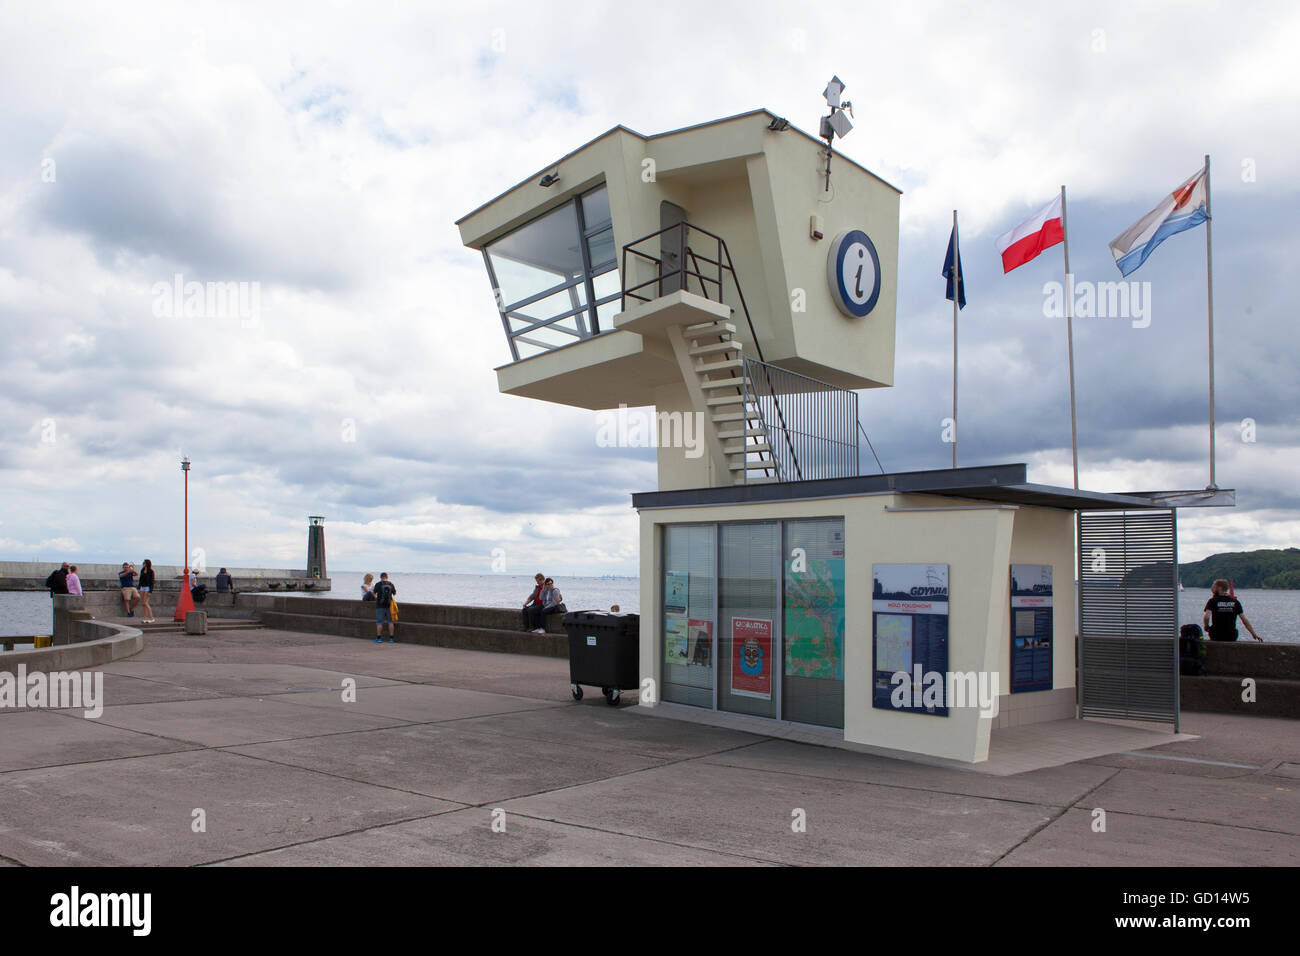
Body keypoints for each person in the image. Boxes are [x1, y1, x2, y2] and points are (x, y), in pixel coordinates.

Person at [373, 572, 396, 643]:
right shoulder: (390, 584)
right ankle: (391, 638)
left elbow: (374, 593)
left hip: (380, 605)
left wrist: (376, 598)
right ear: (387, 577)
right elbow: (394, 593)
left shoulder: (378, 584)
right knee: (390, 622)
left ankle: (379, 638)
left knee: (379, 622)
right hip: (389, 606)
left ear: (381, 577)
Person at [137, 559, 157, 624]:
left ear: (147, 564)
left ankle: (151, 618)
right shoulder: (142, 570)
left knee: (145, 603)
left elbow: (152, 582)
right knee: (143, 604)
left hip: (147, 588)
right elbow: (140, 580)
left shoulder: (151, 571)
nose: (143, 564)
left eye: (144, 563)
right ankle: (144, 618)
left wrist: (150, 591)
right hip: (142, 587)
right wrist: (139, 588)